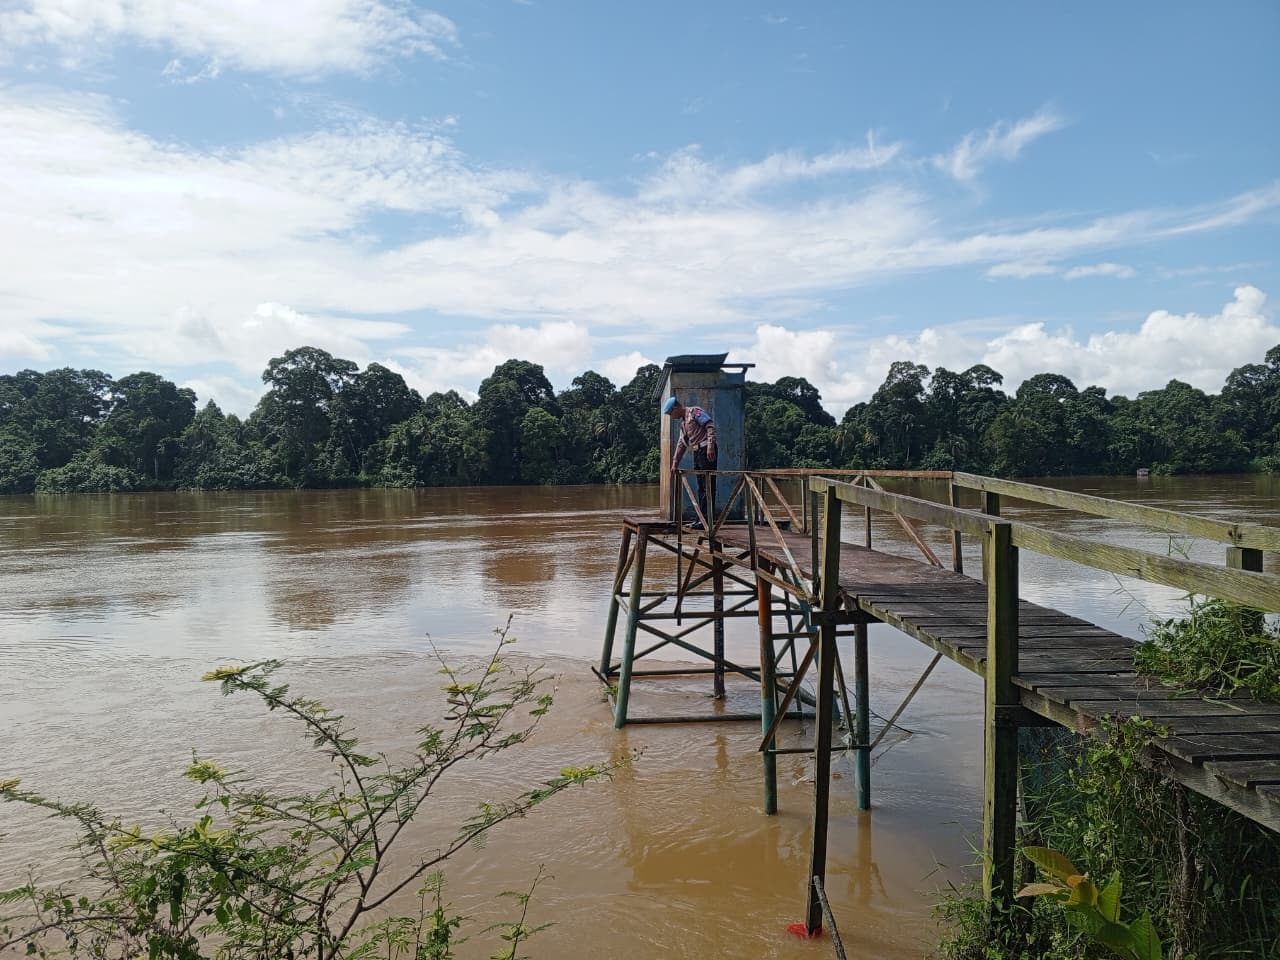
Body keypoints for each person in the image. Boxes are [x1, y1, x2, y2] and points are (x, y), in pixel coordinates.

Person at [664, 396, 716, 529]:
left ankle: (707, 520)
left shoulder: (694, 412)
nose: (672, 416)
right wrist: (675, 462)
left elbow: (710, 425)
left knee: (708, 485)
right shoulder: (683, 424)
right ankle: (700, 519)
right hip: (697, 452)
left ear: (676, 408)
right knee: (701, 487)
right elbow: (681, 444)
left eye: (671, 413)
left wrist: (710, 446)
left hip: (706, 450)